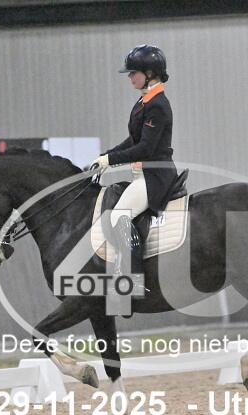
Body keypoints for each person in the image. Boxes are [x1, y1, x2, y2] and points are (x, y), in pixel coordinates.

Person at [92, 44, 178, 285]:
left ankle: (132, 278)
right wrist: (106, 156)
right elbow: (134, 139)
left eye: (133, 72)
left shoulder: (157, 104)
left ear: (149, 73)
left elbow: (145, 149)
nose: (130, 77)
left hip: (155, 177)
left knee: (118, 216)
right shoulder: (145, 101)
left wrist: (111, 160)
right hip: (143, 174)